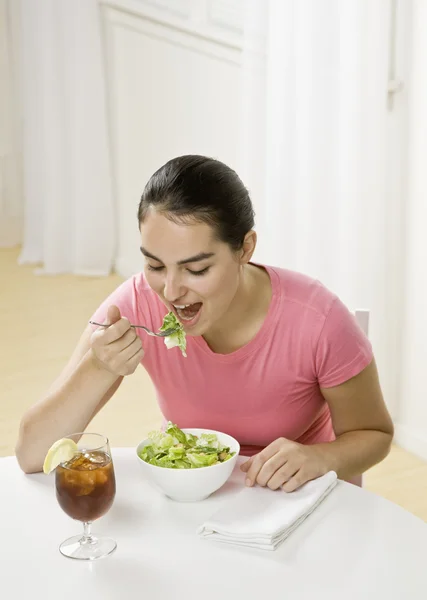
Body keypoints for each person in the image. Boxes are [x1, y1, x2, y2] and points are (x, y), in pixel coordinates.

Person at [16, 155, 394, 491]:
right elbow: (33, 455)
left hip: (297, 497)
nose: (171, 290)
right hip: (199, 498)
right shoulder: (136, 306)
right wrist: (97, 367)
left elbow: (374, 435)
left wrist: (321, 459)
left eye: (196, 269)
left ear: (245, 248)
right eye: (154, 265)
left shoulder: (318, 321)